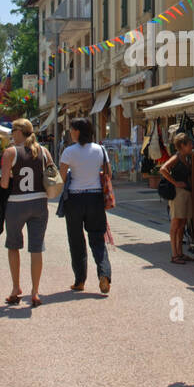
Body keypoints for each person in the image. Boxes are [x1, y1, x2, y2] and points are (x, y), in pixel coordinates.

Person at [58, 117, 113, 294]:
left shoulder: (69, 151)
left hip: (74, 199)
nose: (70, 132)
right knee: (97, 239)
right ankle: (104, 274)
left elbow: (61, 178)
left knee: (76, 241)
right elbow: (109, 173)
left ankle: (80, 281)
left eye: (72, 129)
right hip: (95, 198)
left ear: (78, 131)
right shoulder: (100, 149)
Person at [0, 117, 50, 307]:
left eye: (13, 130)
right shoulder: (43, 151)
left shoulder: (10, 152)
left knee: (13, 246)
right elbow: (52, 175)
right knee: (36, 248)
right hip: (39, 202)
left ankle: (16, 288)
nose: (11, 134)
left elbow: (4, 183)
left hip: (17, 203)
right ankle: (35, 291)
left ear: (19, 132)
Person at [159, 133, 194, 264]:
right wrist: (175, 183)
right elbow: (163, 169)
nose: (191, 146)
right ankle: (174, 255)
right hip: (178, 194)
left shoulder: (186, 157)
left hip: (185, 193)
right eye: (189, 144)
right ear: (182, 145)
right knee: (176, 223)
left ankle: (180, 253)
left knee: (182, 223)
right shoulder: (176, 157)